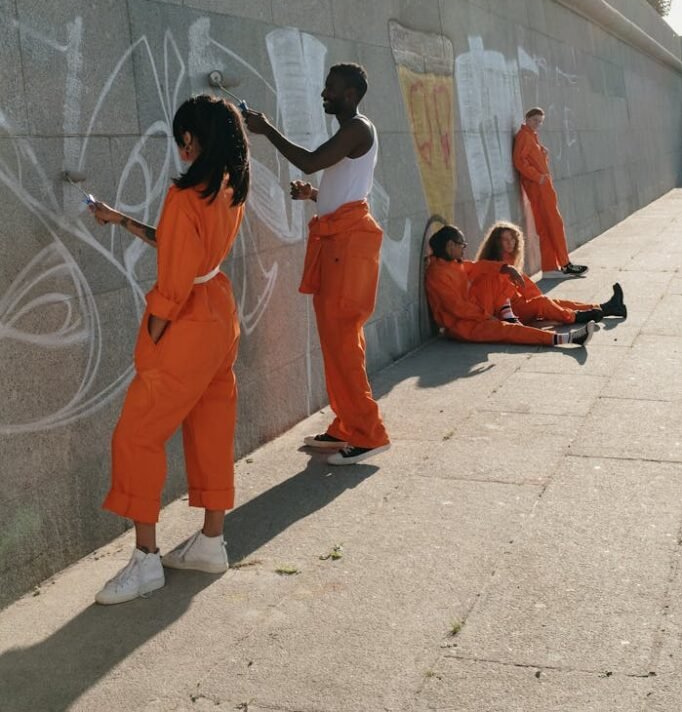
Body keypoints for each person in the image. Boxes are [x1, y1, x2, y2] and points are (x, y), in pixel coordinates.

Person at [89, 95, 250, 605]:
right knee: (211, 424)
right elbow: (187, 248)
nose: (180, 146)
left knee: (137, 434)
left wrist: (152, 336)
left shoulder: (185, 195)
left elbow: (175, 283)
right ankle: (210, 542)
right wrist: (122, 221)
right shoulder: (229, 184)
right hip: (220, 311)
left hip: (186, 321)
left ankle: (145, 562)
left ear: (192, 138)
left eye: (182, 137)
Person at [245, 63, 390, 466]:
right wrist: (315, 195)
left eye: (330, 89)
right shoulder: (351, 131)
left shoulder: (358, 128)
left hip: (347, 243)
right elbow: (345, 184)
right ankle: (346, 424)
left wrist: (266, 128)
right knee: (334, 339)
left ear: (349, 94)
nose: (323, 93)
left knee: (343, 339)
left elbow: (310, 161)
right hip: (337, 239)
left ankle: (370, 433)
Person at [425, 225, 596, 347]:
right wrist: (485, 316)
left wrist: (506, 268)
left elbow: (478, 266)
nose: (464, 249)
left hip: (477, 312)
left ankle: (508, 316)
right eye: (462, 245)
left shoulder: (452, 264)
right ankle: (567, 339)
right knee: (508, 331)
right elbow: (457, 308)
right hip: (463, 325)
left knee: (497, 274)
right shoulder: (437, 274)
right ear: (450, 246)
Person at [476, 221, 627, 325]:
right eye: (505, 240)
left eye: (512, 239)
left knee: (553, 302)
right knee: (543, 303)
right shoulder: (490, 264)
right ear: (496, 242)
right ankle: (576, 317)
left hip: (522, 306)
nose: (511, 243)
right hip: (511, 312)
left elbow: (528, 288)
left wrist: (544, 301)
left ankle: (606, 307)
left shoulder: (510, 260)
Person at [513, 107, 588, 278]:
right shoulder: (524, 136)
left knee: (547, 227)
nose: (537, 124)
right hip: (538, 187)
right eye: (534, 120)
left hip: (542, 186)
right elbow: (519, 161)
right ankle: (564, 264)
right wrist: (537, 177)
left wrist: (543, 154)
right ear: (527, 118)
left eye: (540, 122)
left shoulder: (532, 136)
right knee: (554, 224)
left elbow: (533, 160)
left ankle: (550, 268)